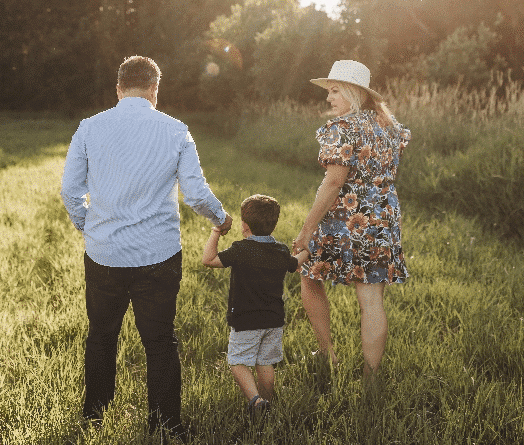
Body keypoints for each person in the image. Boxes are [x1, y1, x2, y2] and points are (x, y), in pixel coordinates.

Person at [60, 55, 232, 440]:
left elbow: (71, 190)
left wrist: (89, 226)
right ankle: (166, 423)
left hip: (104, 254)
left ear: (119, 88)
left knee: (101, 336)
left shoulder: (89, 127)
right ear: (155, 89)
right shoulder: (175, 130)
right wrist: (220, 219)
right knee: (160, 340)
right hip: (158, 255)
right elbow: (196, 192)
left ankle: (95, 416)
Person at [291, 60, 411, 382]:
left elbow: (333, 183)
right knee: (371, 300)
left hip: (346, 219)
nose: (328, 98)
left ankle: (327, 353)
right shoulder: (388, 126)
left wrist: (306, 231)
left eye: (334, 91)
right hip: (383, 218)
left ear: (353, 93)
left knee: (308, 273)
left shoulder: (343, 128)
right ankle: (372, 378)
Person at [202, 194, 310, 417]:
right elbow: (296, 262)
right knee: (266, 362)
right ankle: (267, 403)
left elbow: (208, 260)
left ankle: (255, 400)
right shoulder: (280, 251)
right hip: (273, 320)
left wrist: (215, 232)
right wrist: (306, 250)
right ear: (274, 224)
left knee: (238, 362)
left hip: (245, 319)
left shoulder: (241, 250)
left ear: (244, 226)